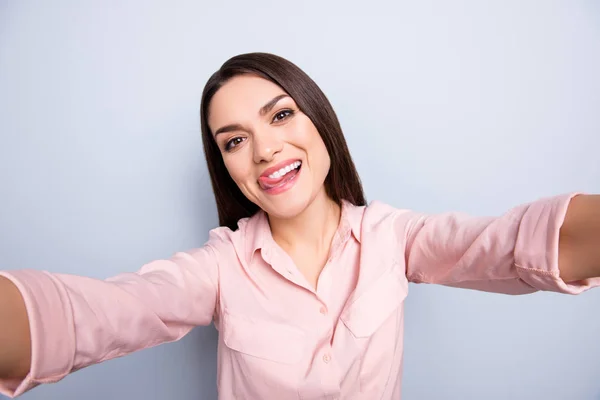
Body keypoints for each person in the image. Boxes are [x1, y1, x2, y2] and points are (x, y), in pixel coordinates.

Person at [0, 52, 598, 400]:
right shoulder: (218, 268)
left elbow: (512, 244)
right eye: (235, 140)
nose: (263, 151)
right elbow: (98, 315)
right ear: (226, 164)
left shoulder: (394, 238)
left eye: (281, 115)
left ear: (317, 119)